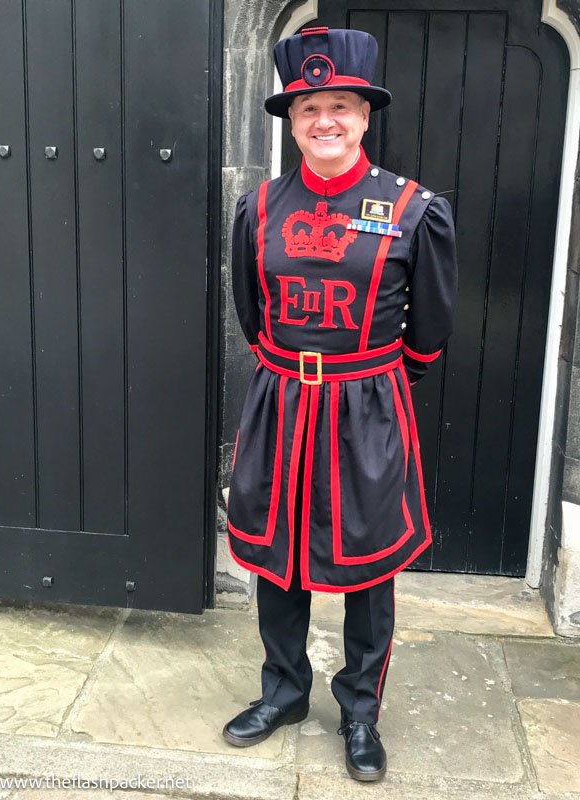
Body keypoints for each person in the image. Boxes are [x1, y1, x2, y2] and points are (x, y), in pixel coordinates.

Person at [222, 26, 457, 782]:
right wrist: (295, 373)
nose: (326, 120)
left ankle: (360, 712)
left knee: (367, 565)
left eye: (341, 106)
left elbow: (428, 334)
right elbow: (252, 314)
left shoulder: (413, 209)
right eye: (310, 107)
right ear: (292, 121)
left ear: (364, 115)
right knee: (278, 562)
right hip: (281, 401)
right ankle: (285, 691)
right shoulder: (258, 209)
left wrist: (367, 383)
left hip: (368, 409)